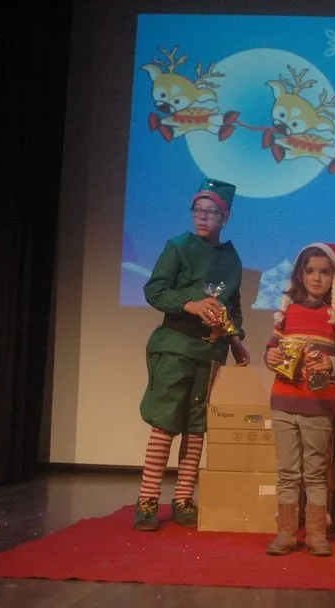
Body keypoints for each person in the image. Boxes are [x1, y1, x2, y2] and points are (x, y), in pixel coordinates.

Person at [134, 178, 251, 531]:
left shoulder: (231, 258)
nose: (202, 217)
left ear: (225, 217)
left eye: (211, 211)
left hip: (210, 351)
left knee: (197, 426)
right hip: (176, 347)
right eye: (197, 210)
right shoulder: (179, 246)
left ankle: (184, 497)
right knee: (166, 422)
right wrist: (190, 303)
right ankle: (148, 499)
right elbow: (155, 290)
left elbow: (233, 306)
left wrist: (236, 340)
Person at [264, 242, 335, 556]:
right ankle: (286, 532)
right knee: (288, 472)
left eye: (325, 272)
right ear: (300, 275)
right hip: (283, 401)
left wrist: (330, 363)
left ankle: (317, 534)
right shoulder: (287, 310)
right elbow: (272, 348)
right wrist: (270, 356)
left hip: (318, 405)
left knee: (315, 472)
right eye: (310, 271)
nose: (317, 278)